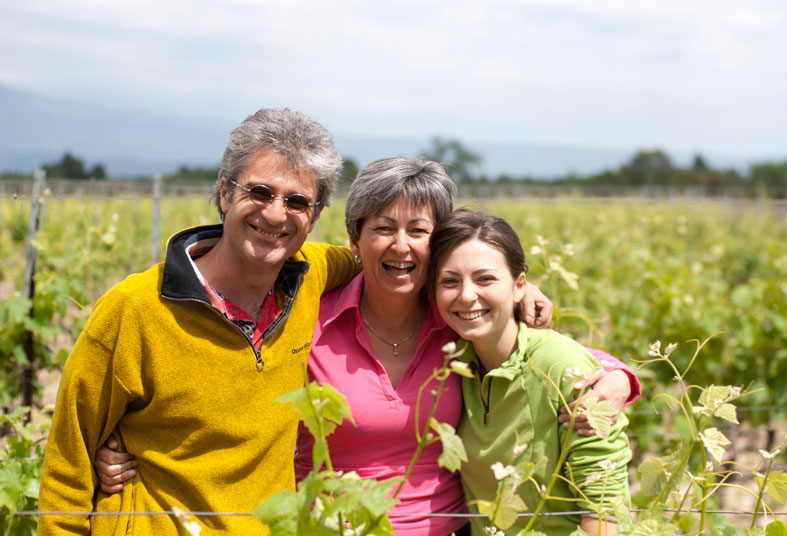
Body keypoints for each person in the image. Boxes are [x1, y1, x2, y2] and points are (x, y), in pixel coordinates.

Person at [97, 157, 638, 535]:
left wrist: (617, 378)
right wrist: (141, 448)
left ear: (437, 243)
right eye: (383, 227)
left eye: (418, 230)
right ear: (354, 241)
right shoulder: (310, 312)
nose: (400, 245)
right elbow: (229, 380)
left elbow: (530, 352)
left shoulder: (455, 316)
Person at [38, 108, 363, 535]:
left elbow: (377, 261)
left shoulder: (311, 274)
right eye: (260, 192)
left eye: (297, 201)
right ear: (226, 193)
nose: (276, 214)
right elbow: (68, 467)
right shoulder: (135, 309)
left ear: (315, 217)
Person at [429, 208, 632, 536]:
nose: (466, 295)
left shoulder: (561, 366)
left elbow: (605, 512)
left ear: (520, 285)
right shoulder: (452, 362)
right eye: (449, 281)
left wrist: (621, 375)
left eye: (485, 279)